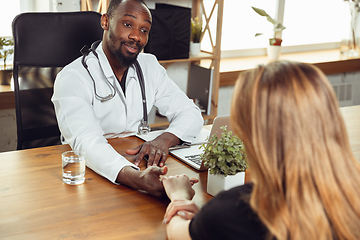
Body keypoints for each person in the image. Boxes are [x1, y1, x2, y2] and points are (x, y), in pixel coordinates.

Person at [162, 60, 360, 240]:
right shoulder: (351, 197)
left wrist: (179, 196)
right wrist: (206, 223)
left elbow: (177, 232)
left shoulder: (237, 210)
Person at [51, 0, 203, 197]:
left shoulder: (149, 66)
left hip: (137, 160)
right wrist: (138, 179)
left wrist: (164, 139)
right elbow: (87, 141)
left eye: (144, 30)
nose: (136, 37)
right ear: (105, 21)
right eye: (128, 24)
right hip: (90, 174)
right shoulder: (73, 76)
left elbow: (190, 112)